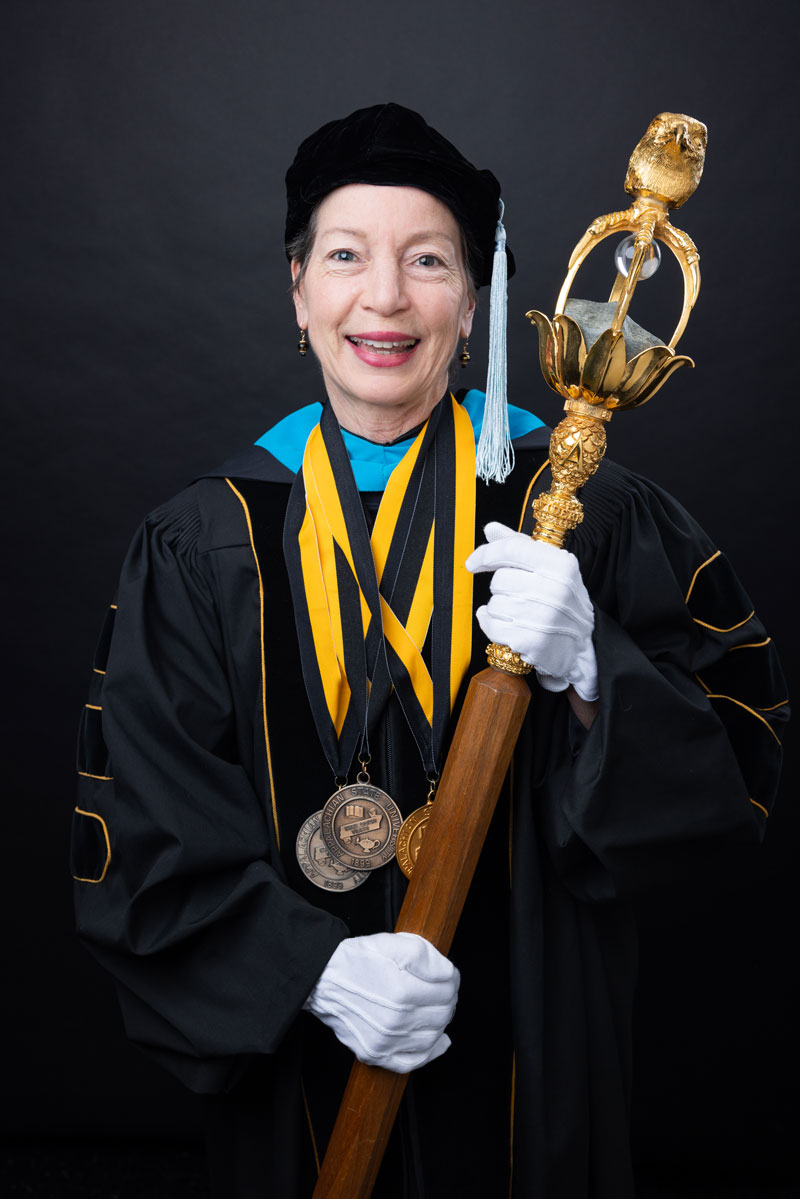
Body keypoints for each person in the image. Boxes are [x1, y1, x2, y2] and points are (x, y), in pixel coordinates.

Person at [72, 104, 787, 1198]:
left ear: (473, 302)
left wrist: (596, 674)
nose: (386, 297)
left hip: (530, 1067)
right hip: (301, 1086)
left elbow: (736, 767)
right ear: (297, 289)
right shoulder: (203, 539)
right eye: (345, 256)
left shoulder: (585, 514)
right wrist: (309, 969)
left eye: (428, 260)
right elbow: (140, 830)